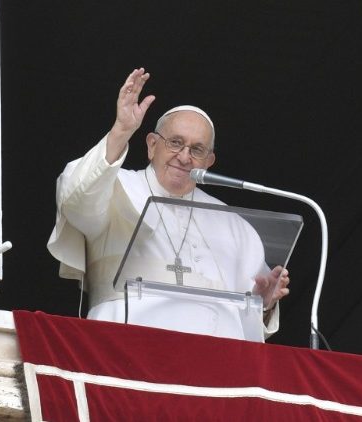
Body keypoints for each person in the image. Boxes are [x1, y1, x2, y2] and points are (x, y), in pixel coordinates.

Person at [47, 68, 290, 341]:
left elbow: (247, 322)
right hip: (126, 346)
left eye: (197, 150)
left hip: (216, 362)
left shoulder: (234, 224)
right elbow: (76, 200)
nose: (184, 157)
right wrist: (121, 131)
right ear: (152, 145)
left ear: (209, 162)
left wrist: (262, 303)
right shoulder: (116, 186)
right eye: (175, 143)